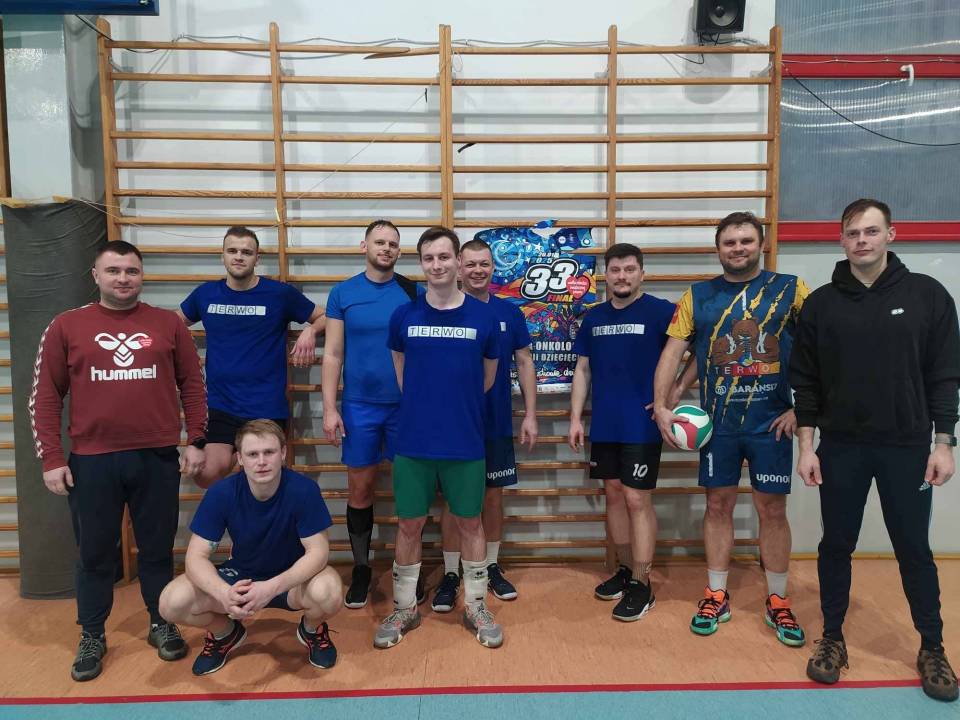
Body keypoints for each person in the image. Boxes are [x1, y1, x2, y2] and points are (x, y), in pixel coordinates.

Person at [791, 199, 959, 702]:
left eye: (870, 231)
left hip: (907, 447)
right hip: (841, 447)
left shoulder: (927, 295)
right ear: (841, 239)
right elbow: (805, 382)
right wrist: (807, 447)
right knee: (835, 546)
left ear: (891, 235)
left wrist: (944, 444)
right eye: (852, 233)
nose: (861, 240)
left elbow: (945, 376)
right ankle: (832, 638)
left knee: (913, 550)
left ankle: (932, 647)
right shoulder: (821, 304)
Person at [30, 240, 207, 682]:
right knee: (94, 554)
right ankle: (92, 634)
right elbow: (46, 396)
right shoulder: (67, 326)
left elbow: (193, 384)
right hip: (92, 461)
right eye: (113, 271)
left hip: (157, 457)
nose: (123, 278)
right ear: (96, 275)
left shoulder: (168, 324)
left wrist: (196, 440)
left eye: (131, 270)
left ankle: (161, 621)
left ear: (142, 275)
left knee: (157, 549)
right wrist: (51, 457)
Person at [653, 211, 809, 646]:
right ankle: (716, 594)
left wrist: (804, 409)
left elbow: (820, 349)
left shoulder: (792, 289)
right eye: (730, 242)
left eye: (746, 241)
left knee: (772, 511)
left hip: (771, 424)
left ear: (761, 244)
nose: (738, 248)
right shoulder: (697, 296)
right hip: (718, 426)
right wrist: (663, 406)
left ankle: (778, 599)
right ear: (718, 248)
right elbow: (673, 353)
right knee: (717, 505)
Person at [374, 226, 502, 649]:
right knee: (409, 524)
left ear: (458, 262)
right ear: (421, 263)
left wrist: (454, 406)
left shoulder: (484, 318)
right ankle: (405, 608)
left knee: (470, 522)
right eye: (429, 258)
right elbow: (401, 373)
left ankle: (477, 606)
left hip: (465, 441)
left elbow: (486, 379)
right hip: (414, 443)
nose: (437, 265)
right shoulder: (404, 317)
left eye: (444, 257)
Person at [159, 420, 341, 675]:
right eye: (253, 454)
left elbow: (318, 553)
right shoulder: (222, 493)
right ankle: (225, 634)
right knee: (171, 602)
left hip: (291, 582)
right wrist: (224, 593)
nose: (262, 461)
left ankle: (312, 630)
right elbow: (195, 557)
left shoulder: (303, 490)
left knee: (329, 592)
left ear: (283, 453)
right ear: (240, 459)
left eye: (269, 452)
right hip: (241, 579)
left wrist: (271, 587)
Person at [567, 243, 675, 621]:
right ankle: (627, 571)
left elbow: (692, 354)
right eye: (615, 270)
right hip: (605, 423)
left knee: (636, 499)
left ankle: (643, 584)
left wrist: (670, 397)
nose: (622, 276)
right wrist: (575, 418)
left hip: (642, 423)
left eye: (630, 269)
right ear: (606, 275)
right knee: (613, 494)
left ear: (642, 273)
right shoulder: (594, 317)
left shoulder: (662, 312)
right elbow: (583, 370)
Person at [321, 219, 423, 609]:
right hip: (359, 408)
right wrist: (329, 408)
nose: (386, 248)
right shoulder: (343, 293)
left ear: (400, 251)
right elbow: (333, 354)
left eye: (393, 244)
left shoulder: (414, 292)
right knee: (360, 490)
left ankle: (407, 569)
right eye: (379, 242)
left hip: (406, 408)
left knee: (409, 492)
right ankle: (362, 569)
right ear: (364, 245)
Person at [433, 239, 538, 612]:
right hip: (453, 424)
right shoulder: (443, 310)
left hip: (495, 422)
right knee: (453, 501)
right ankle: (451, 573)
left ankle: (491, 566)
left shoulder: (509, 312)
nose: (478, 270)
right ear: (459, 267)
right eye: (471, 264)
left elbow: (524, 362)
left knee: (493, 496)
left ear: (494, 267)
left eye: (485, 264)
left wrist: (530, 414)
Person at [178, 226, 325, 488]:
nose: (238, 256)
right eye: (232, 251)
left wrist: (311, 331)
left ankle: (248, 480)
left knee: (263, 478)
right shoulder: (205, 294)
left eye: (246, 252)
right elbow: (171, 324)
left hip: (265, 406)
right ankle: (239, 473)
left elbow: (325, 316)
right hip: (221, 404)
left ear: (257, 259)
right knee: (205, 474)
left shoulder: (279, 294)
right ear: (222, 256)